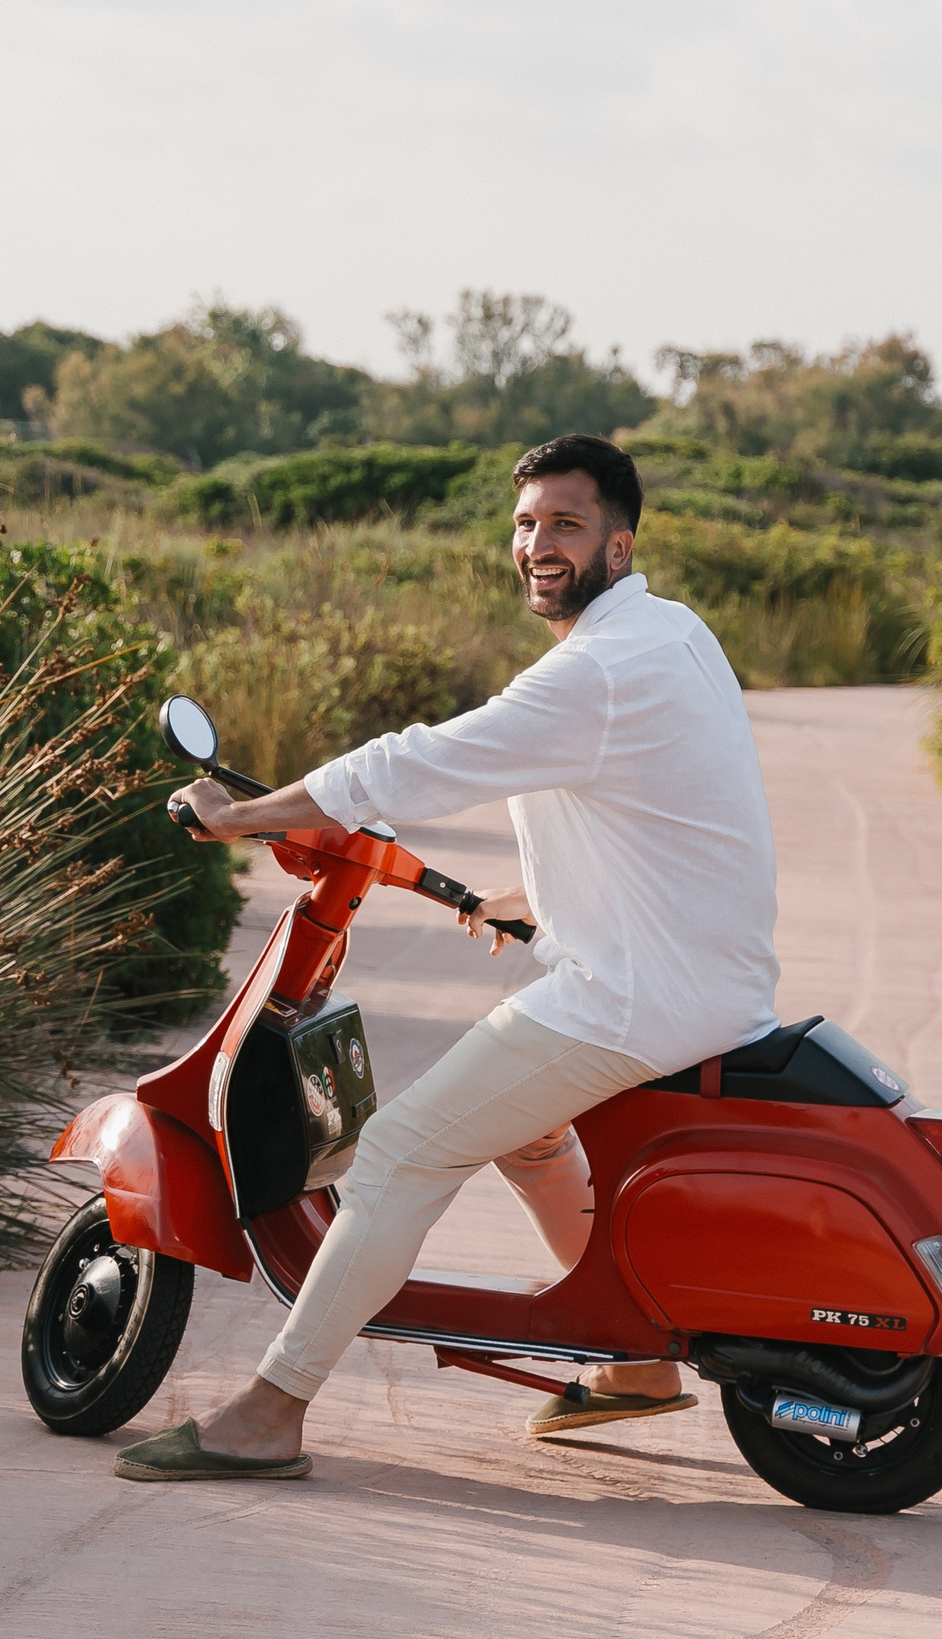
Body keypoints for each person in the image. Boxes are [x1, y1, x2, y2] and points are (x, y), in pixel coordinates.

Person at [124, 433, 780, 1480]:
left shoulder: (596, 672)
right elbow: (658, 804)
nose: (537, 545)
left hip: (633, 1000)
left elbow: (417, 762)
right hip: (698, 976)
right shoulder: (669, 631)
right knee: (525, 1136)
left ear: (619, 544)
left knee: (397, 1152)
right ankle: (639, 1364)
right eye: (524, 524)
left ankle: (271, 1411)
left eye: (564, 524)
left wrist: (245, 815)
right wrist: (542, 900)